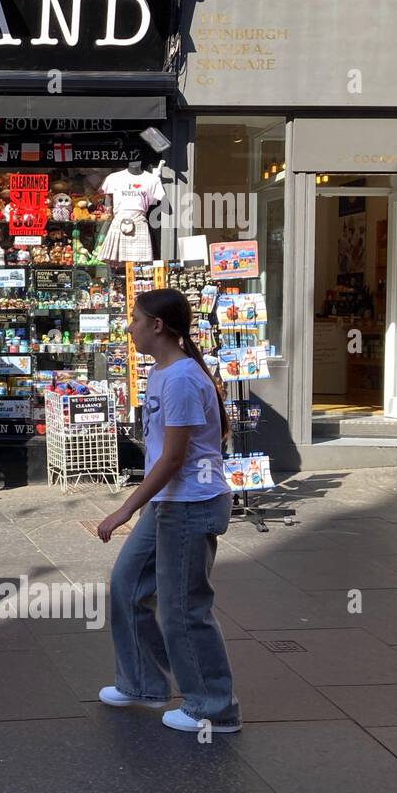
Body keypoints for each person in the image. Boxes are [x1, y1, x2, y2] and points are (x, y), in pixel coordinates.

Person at [96, 288, 240, 733]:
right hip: (170, 501)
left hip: (190, 505)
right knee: (127, 585)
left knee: (183, 608)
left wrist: (124, 510)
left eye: (135, 319)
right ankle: (142, 683)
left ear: (158, 326)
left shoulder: (180, 378)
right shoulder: (163, 371)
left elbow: (174, 457)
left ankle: (215, 709)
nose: (130, 326)